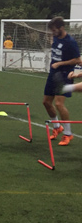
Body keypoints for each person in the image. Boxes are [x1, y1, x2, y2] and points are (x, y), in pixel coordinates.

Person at [42, 17, 81, 146]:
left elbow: (77, 60)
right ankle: (57, 127)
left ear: (61, 28)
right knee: (46, 102)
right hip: (53, 74)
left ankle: (68, 134)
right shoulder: (56, 38)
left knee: (59, 104)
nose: (53, 32)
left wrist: (60, 64)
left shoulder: (70, 42)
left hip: (64, 75)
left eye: (54, 30)